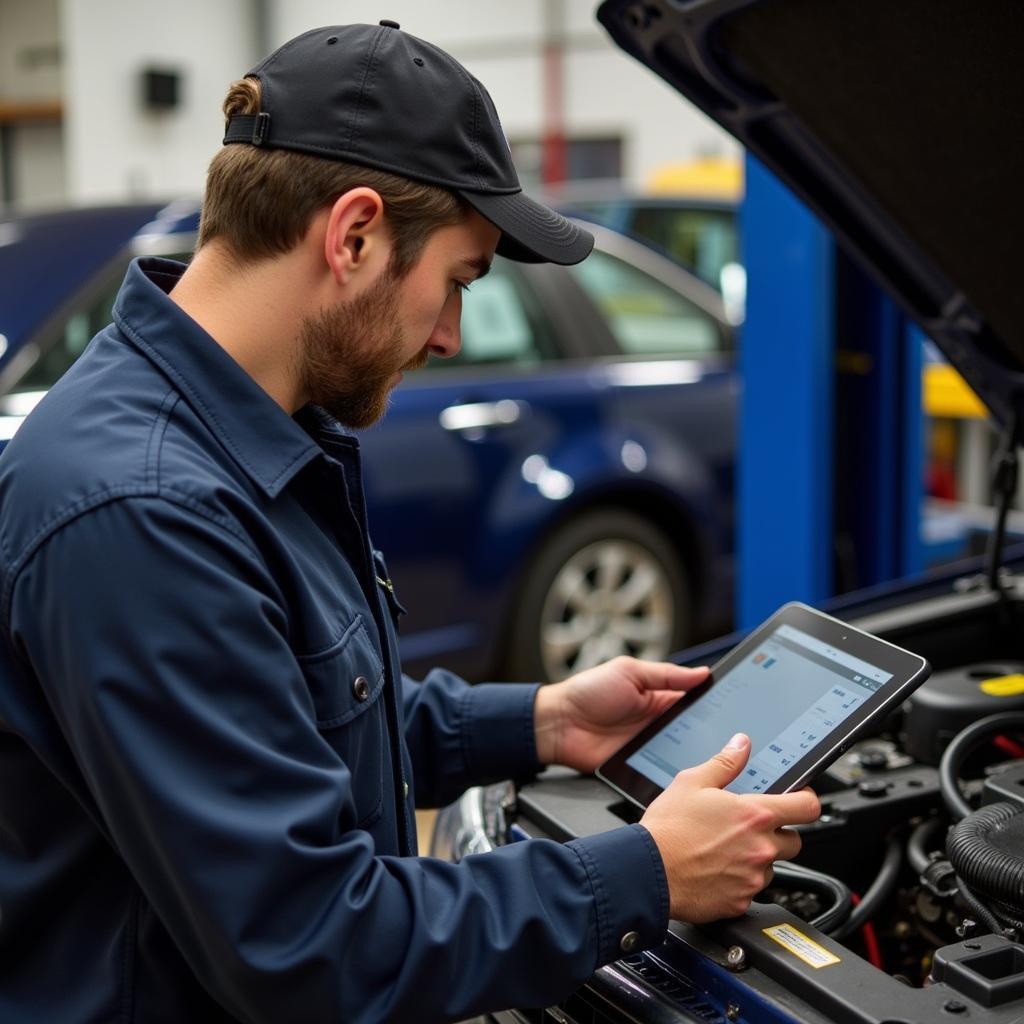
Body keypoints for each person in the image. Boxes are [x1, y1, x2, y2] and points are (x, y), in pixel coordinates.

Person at [0, 21, 819, 1024]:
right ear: (351, 236)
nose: (448, 333)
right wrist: (645, 872)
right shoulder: (144, 512)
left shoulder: (236, 434)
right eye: (458, 282)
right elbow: (308, 946)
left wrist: (540, 721)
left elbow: (292, 721)